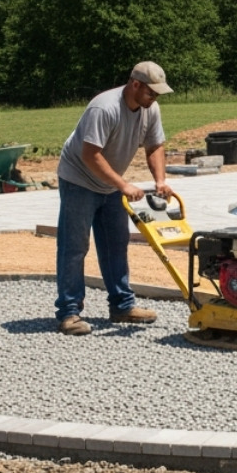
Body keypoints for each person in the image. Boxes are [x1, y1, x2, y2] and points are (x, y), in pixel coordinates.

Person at [54, 61, 174, 335]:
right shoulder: (104, 107)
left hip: (109, 184)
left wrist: (160, 180)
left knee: (116, 244)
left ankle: (122, 306)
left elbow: (155, 145)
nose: (154, 97)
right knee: (74, 247)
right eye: (150, 92)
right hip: (79, 180)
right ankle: (69, 313)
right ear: (135, 84)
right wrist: (123, 184)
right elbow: (90, 154)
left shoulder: (150, 109)